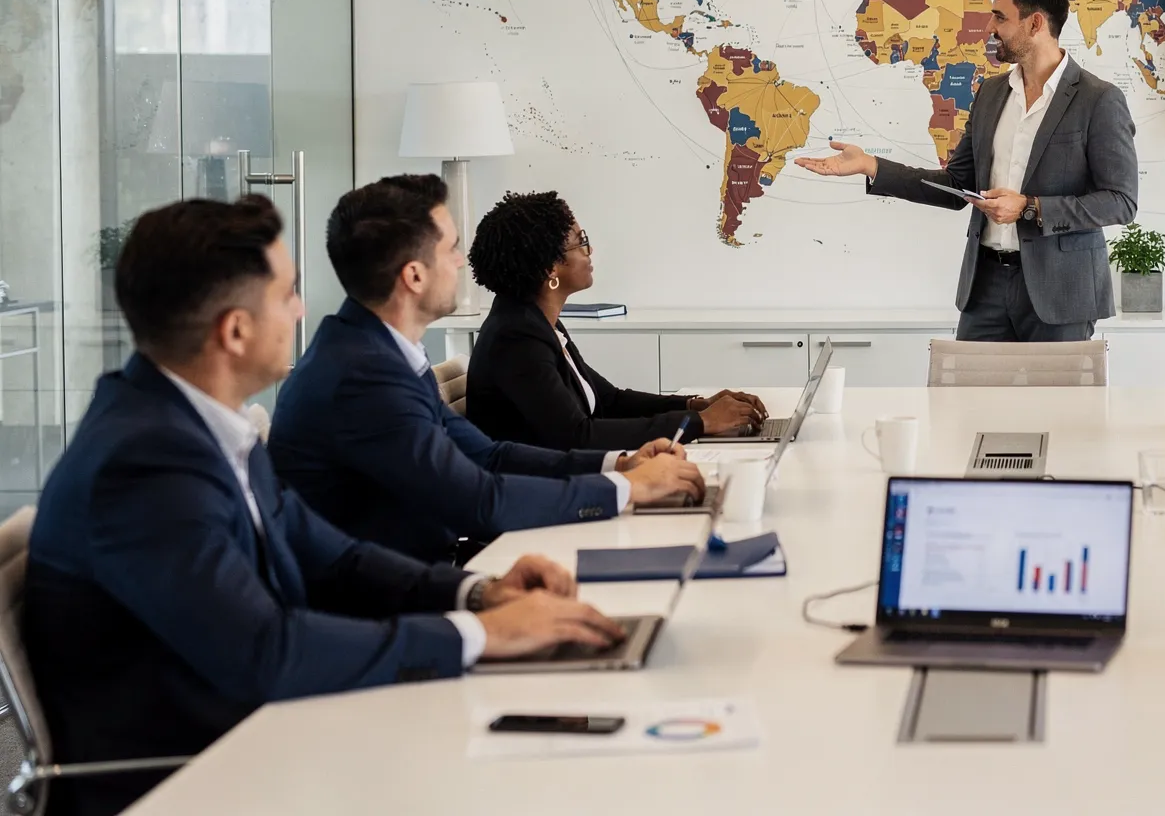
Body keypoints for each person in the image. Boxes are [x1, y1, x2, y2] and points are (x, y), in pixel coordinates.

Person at [25, 198, 628, 816]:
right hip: (205, 774)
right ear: (234, 330)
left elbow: (334, 558)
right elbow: (267, 652)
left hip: (271, 728)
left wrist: (477, 595)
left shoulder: (200, 422)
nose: (301, 310)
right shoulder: (144, 465)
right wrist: (479, 635)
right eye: (287, 294)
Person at [270, 175, 705, 563]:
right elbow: (480, 499)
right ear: (415, 276)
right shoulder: (362, 377)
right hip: (389, 606)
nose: (462, 263)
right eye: (451, 249)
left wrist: (620, 466)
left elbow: (487, 455)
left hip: (430, 575)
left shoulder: (383, 352)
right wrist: (628, 489)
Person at [795, 0, 1138, 342]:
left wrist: (1030, 206)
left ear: (1035, 23)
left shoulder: (1099, 99)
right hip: (985, 286)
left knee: (1054, 403)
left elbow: (1120, 202)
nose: (990, 27)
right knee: (965, 400)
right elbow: (958, 186)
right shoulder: (991, 93)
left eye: (1000, 17)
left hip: (1062, 291)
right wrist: (871, 166)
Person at [463, 191, 767, 452]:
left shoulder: (536, 321)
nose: (589, 250)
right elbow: (578, 436)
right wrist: (701, 423)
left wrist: (695, 406)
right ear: (549, 268)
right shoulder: (516, 338)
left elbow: (609, 400)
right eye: (580, 242)